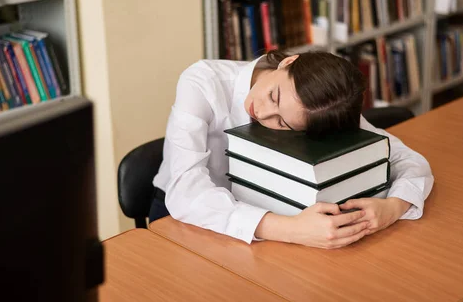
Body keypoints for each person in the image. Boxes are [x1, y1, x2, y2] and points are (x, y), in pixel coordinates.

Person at [151, 50, 434, 249]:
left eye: (282, 123)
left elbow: (407, 159)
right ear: (287, 62)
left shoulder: (321, 108)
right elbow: (186, 192)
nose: (261, 112)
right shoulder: (202, 81)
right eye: (274, 95)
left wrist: (393, 208)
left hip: (271, 211)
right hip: (184, 217)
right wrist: (292, 230)